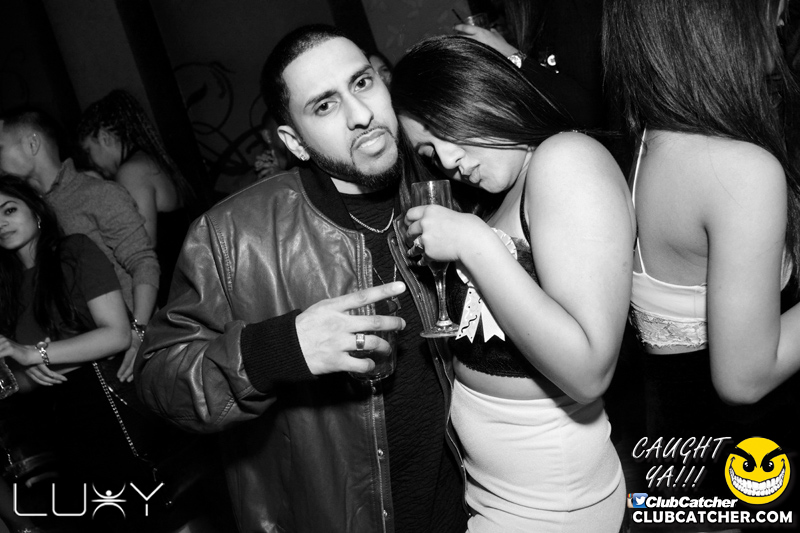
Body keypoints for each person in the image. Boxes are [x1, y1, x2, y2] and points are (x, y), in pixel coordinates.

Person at [135, 24, 467, 533]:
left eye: (362, 83)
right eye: (325, 105)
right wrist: (278, 351)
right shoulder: (233, 234)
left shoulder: (447, 179)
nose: (361, 115)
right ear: (295, 141)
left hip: (473, 508)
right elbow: (159, 380)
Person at [391, 36, 634, 532]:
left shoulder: (567, 158)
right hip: (490, 491)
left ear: (482, 91)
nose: (447, 159)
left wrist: (473, 244)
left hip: (551, 505)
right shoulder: (493, 193)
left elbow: (589, 371)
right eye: (429, 151)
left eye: (446, 129)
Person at [603, 0, 800, 501]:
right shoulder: (739, 169)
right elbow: (745, 378)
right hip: (752, 462)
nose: (780, 21)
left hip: (677, 455)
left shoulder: (651, 136)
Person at [0, 108, 159, 383]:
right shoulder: (22, 212)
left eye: (0, 148)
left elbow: (143, 262)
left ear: (32, 144)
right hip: (79, 361)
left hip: (131, 352)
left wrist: (138, 333)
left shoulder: (96, 193)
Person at [77, 89, 194, 307]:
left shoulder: (132, 171)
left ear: (104, 138)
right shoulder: (150, 161)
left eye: (89, 151)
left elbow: (141, 245)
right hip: (186, 283)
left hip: (171, 292)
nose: (91, 162)